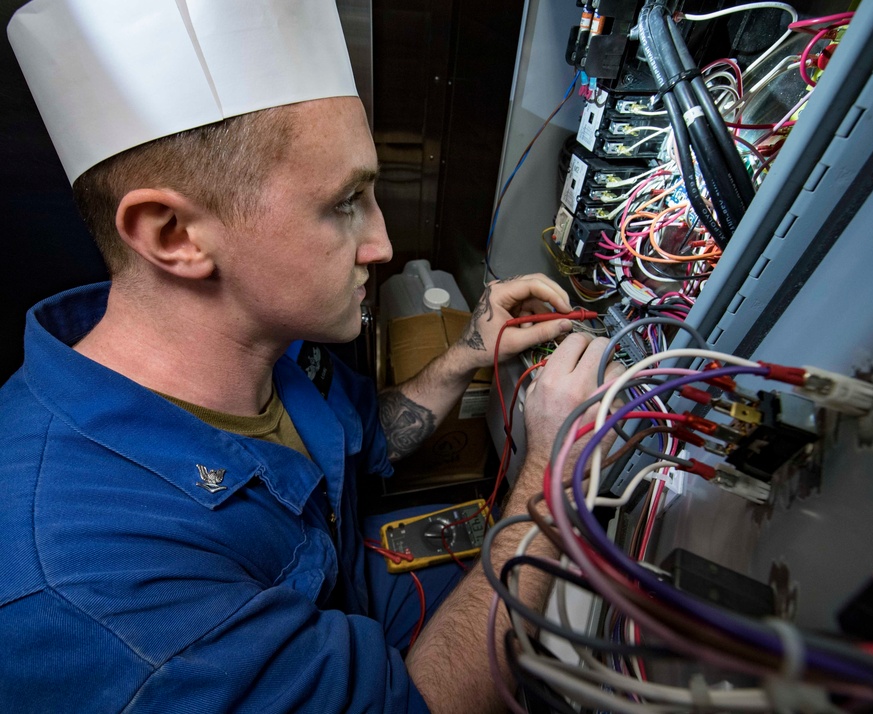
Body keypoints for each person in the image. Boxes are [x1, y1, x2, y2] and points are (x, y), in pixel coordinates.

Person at [1, 1, 616, 712]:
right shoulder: (98, 590)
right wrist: (554, 474)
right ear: (173, 234)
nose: (382, 244)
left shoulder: (263, 342)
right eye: (345, 201)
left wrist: (467, 355)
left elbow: (354, 443)